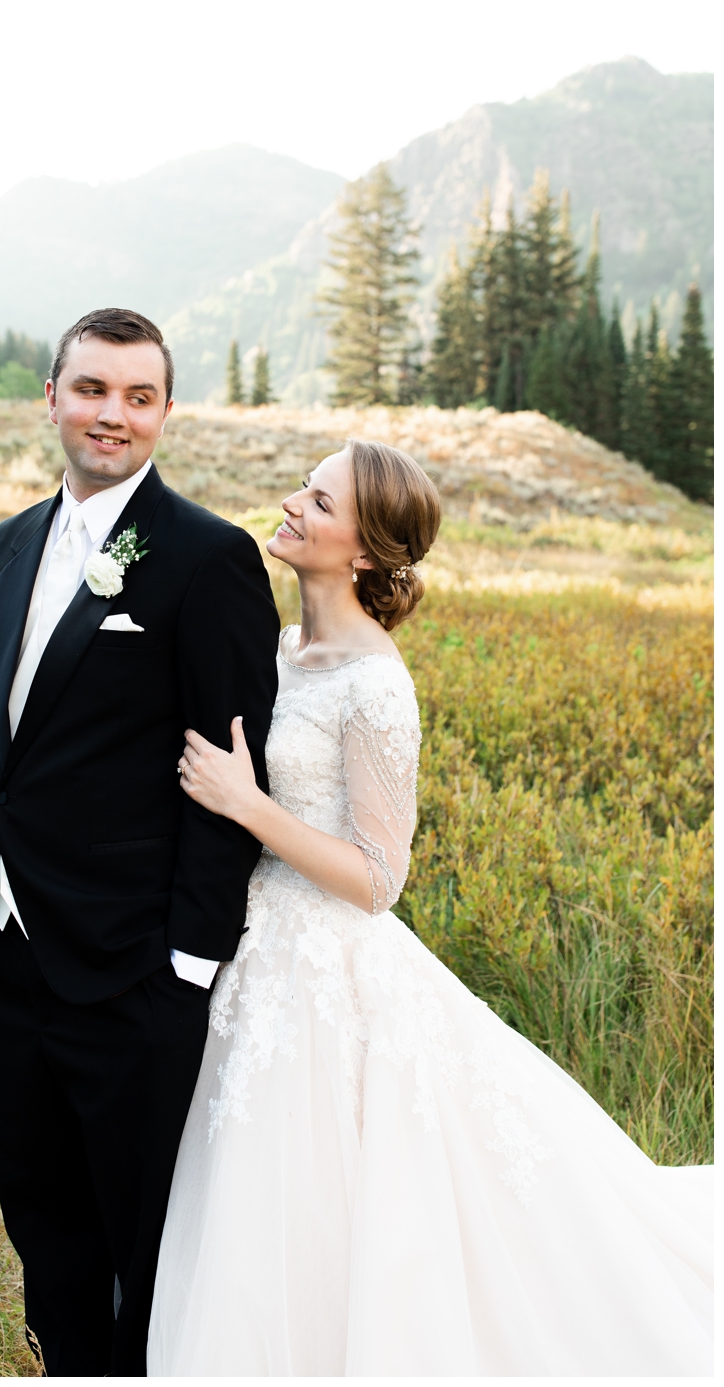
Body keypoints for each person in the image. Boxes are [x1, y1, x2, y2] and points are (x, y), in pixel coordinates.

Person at [150, 441, 713, 1374]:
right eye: (304, 486)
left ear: (364, 551)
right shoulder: (287, 647)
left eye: (318, 502)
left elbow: (379, 878)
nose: (291, 504)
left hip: (325, 969)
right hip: (253, 948)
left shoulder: (376, 682)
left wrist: (248, 806)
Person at [0, 307, 281, 1374]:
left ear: (164, 413)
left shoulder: (203, 558)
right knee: (41, 1227)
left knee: (144, 1242)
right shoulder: (4, 548)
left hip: (132, 974)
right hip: (1, 955)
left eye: (138, 397)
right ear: (49, 396)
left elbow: (234, 770)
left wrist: (186, 962)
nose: (111, 415)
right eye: (91, 389)